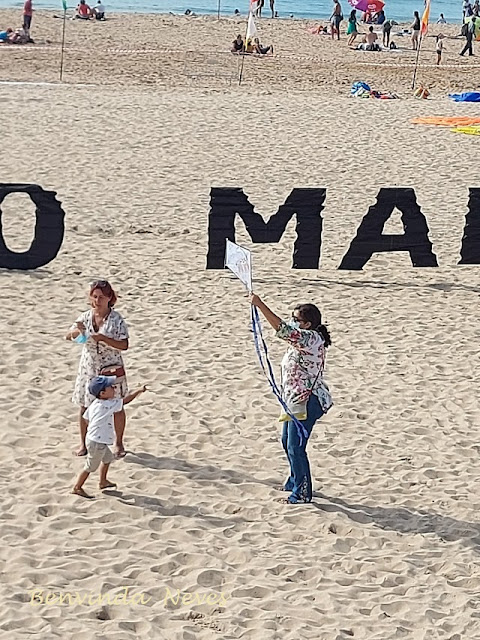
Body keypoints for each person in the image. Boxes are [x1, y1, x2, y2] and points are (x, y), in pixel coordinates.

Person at [250, 294, 333, 505]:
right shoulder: (302, 340)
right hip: (293, 399)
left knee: (296, 447)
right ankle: (295, 480)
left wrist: (260, 305)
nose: (293, 321)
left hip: (308, 400)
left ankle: (302, 493)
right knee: (287, 442)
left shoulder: (311, 338)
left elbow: (283, 330)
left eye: (296, 319)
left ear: (307, 324)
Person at [66, 280, 130, 458]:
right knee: (84, 405)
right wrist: (77, 332)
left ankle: (119, 443)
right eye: (94, 297)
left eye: (101, 297)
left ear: (110, 298)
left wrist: (104, 339)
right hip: (89, 367)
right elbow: (68, 336)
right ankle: (83, 443)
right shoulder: (85, 317)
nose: (97, 301)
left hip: (111, 367)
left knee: (117, 405)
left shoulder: (116, 319)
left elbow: (124, 345)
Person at [72, 376, 147, 498]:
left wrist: (93, 428)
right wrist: (139, 391)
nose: (114, 388)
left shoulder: (95, 403)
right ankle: (77, 487)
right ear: (102, 393)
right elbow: (126, 400)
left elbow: (86, 418)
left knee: (108, 459)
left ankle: (103, 481)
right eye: (110, 387)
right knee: (90, 467)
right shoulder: (109, 404)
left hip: (94, 439)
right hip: (97, 442)